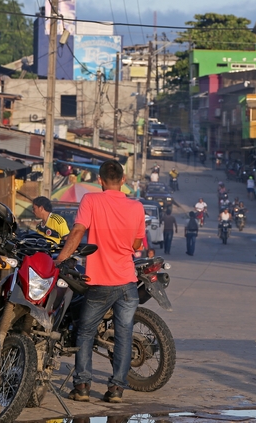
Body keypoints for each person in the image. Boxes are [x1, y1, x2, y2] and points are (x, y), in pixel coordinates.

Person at [54, 160, 146, 404]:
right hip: (127, 283)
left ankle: (83, 386)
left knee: (85, 332)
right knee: (124, 336)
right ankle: (116, 390)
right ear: (123, 181)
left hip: (101, 283)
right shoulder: (137, 207)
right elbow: (137, 245)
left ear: (100, 181)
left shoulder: (91, 201)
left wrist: (60, 260)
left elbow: (77, 232)